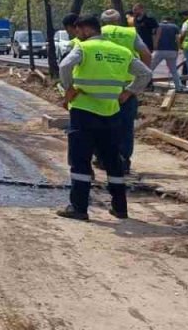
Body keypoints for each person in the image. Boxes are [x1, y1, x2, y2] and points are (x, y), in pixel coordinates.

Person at [57, 15, 151, 221]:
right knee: (112, 161)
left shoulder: (84, 48)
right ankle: (120, 208)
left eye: (78, 31)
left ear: (85, 30)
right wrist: (129, 92)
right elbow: (145, 73)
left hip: (84, 111)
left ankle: (79, 207)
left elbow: (64, 66)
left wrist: (69, 89)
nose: (77, 35)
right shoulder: (121, 51)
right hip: (111, 112)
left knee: (81, 161)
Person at [100, 9, 151, 175]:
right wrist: (141, 80)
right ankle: (123, 160)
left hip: (101, 88)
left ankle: (101, 158)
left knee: (100, 124)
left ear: (102, 22)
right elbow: (146, 54)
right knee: (125, 126)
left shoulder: (97, 33)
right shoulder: (130, 33)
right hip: (126, 89)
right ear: (119, 20)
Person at [151, 16, 181, 90]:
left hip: (159, 50)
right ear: (170, 21)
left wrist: (154, 47)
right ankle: (178, 88)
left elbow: (154, 37)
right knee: (174, 71)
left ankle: (146, 85)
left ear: (162, 20)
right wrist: (179, 49)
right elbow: (177, 39)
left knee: (150, 69)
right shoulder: (175, 27)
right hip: (172, 51)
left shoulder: (157, 26)